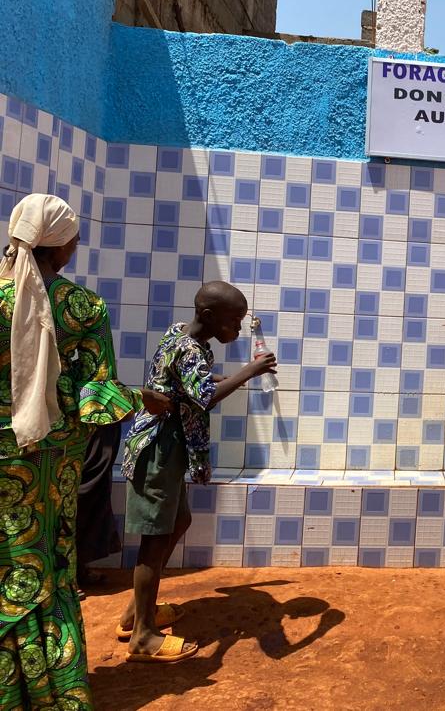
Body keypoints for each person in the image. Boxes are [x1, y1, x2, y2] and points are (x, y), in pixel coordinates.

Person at [0, 194, 171, 708]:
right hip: (51, 463)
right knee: (47, 560)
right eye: (74, 235)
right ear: (62, 245)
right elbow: (94, 400)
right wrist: (142, 398)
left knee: (8, 558)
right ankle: (51, 686)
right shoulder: (81, 307)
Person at [117, 281, 276, 663]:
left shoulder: (180, 334)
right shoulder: (190, 348)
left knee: (178, 521)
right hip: (158, 449)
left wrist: (220, 378)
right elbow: (202, 397)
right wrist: (249, 372)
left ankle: (137, 613)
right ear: (208, 316)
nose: (237, 331)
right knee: (155, 541)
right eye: (233, 322)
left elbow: (189, 382)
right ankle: (142, 636)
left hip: (170, 448)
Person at [76, 423, 123, 598]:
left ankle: (78, 568)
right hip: (88, 418)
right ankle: (66, 577)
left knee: (96, 490)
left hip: (104, 422)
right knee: (83, 491)